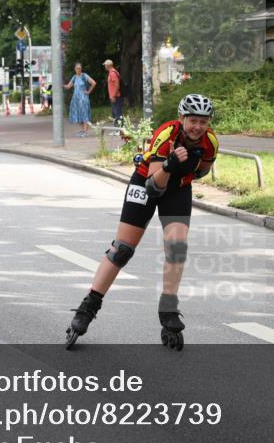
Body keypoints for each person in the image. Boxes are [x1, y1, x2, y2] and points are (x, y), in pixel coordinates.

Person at [64, 94, 219, 351]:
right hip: (148, 182)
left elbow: (202, 170)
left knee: (177, 248)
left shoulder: (210, 141)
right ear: (181, 119)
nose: (197, 127)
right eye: (192, 120)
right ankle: (88, 306)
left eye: (203, 122)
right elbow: (155, 186)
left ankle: (168, 307)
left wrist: (188, 169)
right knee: (122, 250)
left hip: (178, 188)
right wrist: (170, 164)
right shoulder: (167, 134)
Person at [64, 63, 96, 136]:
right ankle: (82, 130)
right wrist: (61, 85)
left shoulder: (84, 76)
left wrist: (88, 91)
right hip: (76, 99)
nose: (78, 69)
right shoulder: (74, 77)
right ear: (75, 69)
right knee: (77, 114)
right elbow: (68, 86)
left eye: (79, 68)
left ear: (81, 69)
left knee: (84, 114)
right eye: (77, 68)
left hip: (83, 99)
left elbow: (94, 83)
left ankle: (85, 132)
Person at [104, 59, 123, 126]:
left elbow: (117, 85)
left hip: (115, 96)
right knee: (115, 113)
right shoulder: (113, 72)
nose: (104, 66)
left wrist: (114, 96)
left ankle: (119, 129)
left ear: (108, 65)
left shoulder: (113, 73)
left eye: (105, 65)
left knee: (117, 113)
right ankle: (116, 129)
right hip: (114, 96)